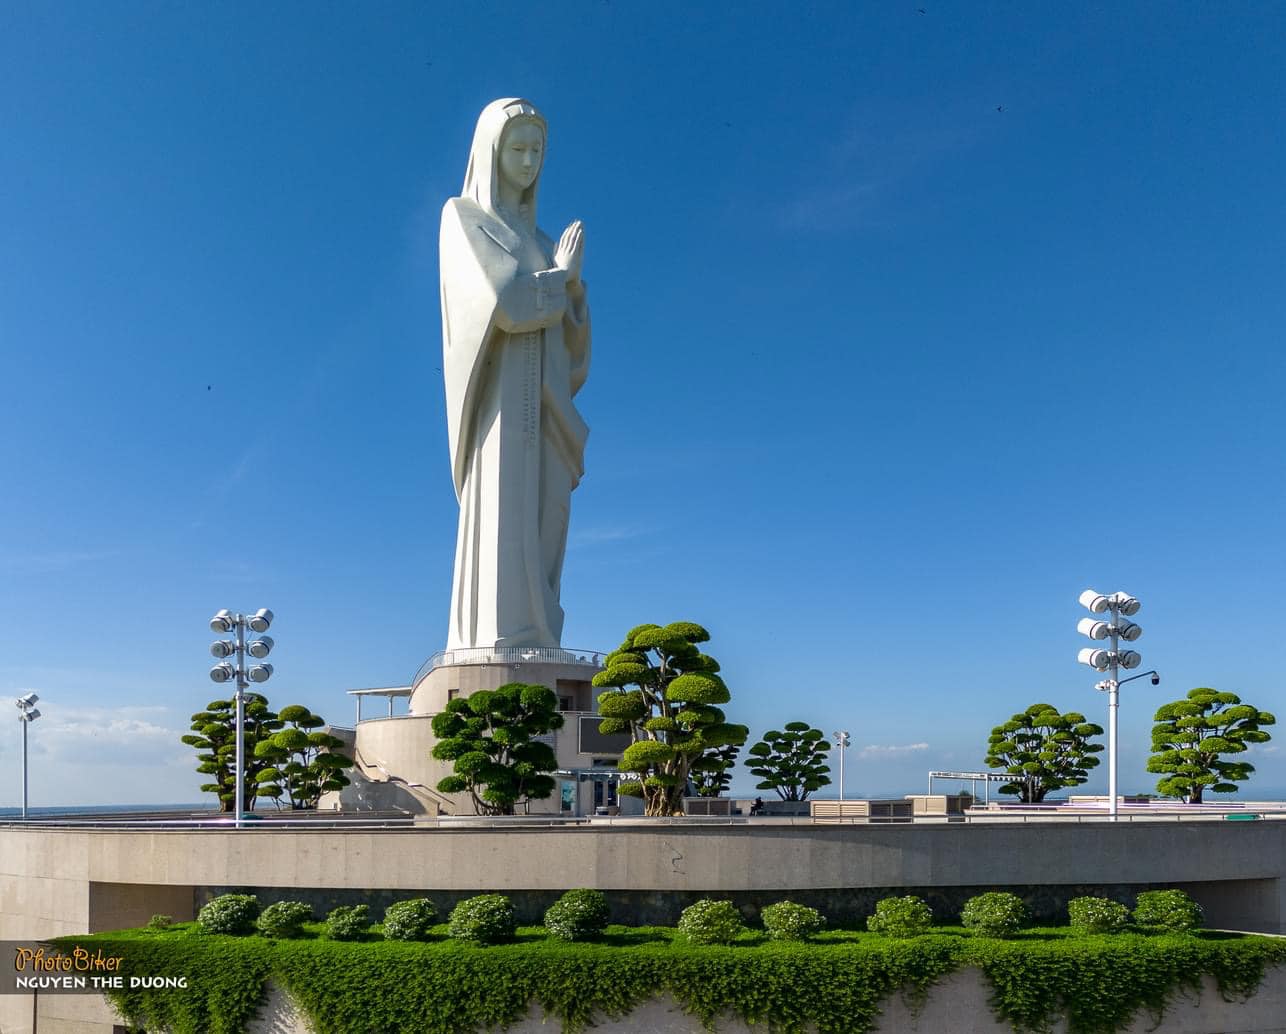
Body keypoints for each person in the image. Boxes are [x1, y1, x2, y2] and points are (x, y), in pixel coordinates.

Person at [439, 99, 591, 650]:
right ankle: (495, 641)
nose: (528, 162)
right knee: (504, 522)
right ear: (491, 151)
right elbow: (502, 302)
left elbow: (575, 340)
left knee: (549, 518)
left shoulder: (548, 243)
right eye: (516, 149)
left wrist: (570, 287)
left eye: (537, 151)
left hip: (549, 407)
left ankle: (543, 634)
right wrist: (559, 278)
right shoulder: (465, 219)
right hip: (501, 404)